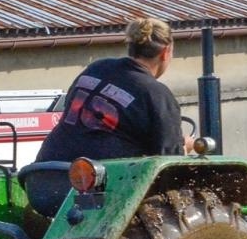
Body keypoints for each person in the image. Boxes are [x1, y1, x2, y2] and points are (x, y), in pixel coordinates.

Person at [35, 16, 191, 164]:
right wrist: (185, 147)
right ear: (165, 53)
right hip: (99, 180)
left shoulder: (96, 68)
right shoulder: (157, 94)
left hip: (46, 169)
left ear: (131, 46)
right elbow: (168, 159)